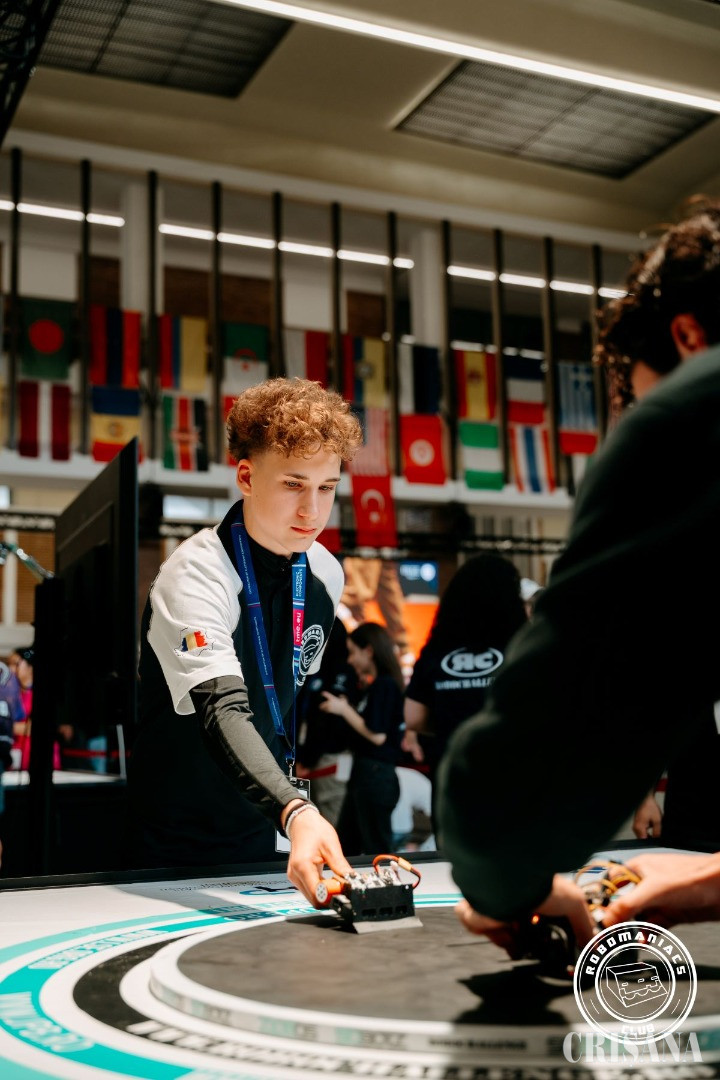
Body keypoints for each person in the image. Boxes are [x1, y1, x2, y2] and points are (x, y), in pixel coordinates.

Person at [437, 200, 720, 945]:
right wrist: (710, 881)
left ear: (688, 337)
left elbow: (500, 811)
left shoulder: (690, 420)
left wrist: (511, 883)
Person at [129, 378, 363, 907]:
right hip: (171, 845)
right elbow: (224, 709)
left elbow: (283, 696)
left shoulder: (325, 574)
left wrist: (285, 813)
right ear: (246, 477)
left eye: (326, 488)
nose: (312, 511)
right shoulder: (196, 574)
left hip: (263, 831)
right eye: (293, 485)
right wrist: (296, 810)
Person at [403, 553, 527, 790]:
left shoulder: (436, 651)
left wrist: (451, 720)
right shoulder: (523, 647)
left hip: (453, 776)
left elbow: (413, 716)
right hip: (513, 775)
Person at [320, 622, 404, 854]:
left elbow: (377, 736)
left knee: (376, 848)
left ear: (368, 651)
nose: (350, 660)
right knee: (348, 845)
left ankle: (386, 879)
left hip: (376, 774)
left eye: (353, 652)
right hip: (365, 773)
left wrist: (344, 710)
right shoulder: (375, 686)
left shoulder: (385, 685)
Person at [296, 618, 358, 826]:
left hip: (329, 759)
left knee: (330, 822)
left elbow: (330, 723)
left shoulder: (343, 671)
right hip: (306, 757)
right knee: (306, 819)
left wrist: (308, 760)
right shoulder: (313, 667)